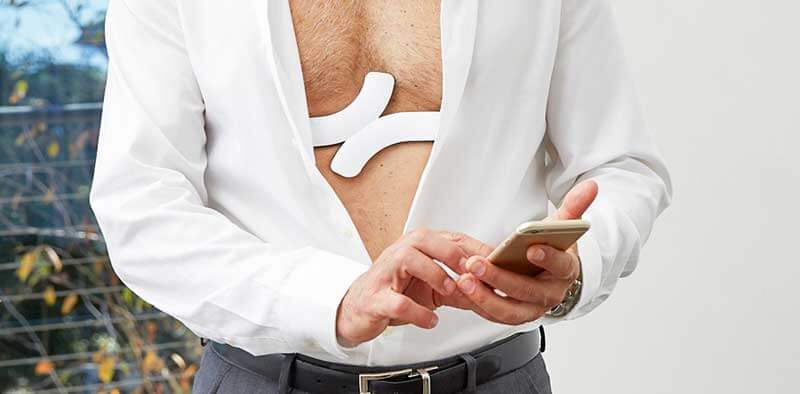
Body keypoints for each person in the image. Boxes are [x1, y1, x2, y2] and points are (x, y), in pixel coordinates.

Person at [90, 0, 672, 393]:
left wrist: (575, 268)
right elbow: (140, 207)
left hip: (498, 379)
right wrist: (332, 299)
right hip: (263, 382)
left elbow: (621, 166)